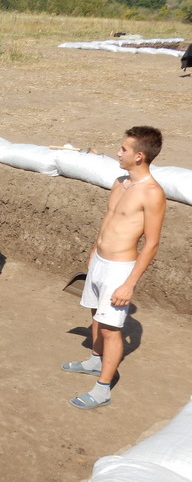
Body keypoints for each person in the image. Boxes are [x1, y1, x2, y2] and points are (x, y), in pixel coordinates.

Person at [62, 126, 166, 410]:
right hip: (99, 261)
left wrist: (129, 284)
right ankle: (95, 362)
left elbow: (152, 243)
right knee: (95, 315)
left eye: (124, 149)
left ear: (140, 156)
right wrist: (94, 251)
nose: (118, 153)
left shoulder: (153, 193)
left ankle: (103, 389)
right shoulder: (120, 182)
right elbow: (109, 219)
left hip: (120, 268)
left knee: (111, 330)